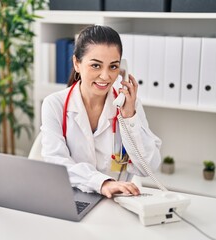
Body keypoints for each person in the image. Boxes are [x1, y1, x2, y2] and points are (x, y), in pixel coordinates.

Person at [40, 25, 161, 198]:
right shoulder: (55, 104)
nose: (105, 76)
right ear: (77, 63)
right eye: (96, 65)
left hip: (116, 201)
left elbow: (149, 166)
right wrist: (102, 183)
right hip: (70, 197)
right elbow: (56, 162)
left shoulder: (128, 106)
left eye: (113, 67)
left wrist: (129, 118)